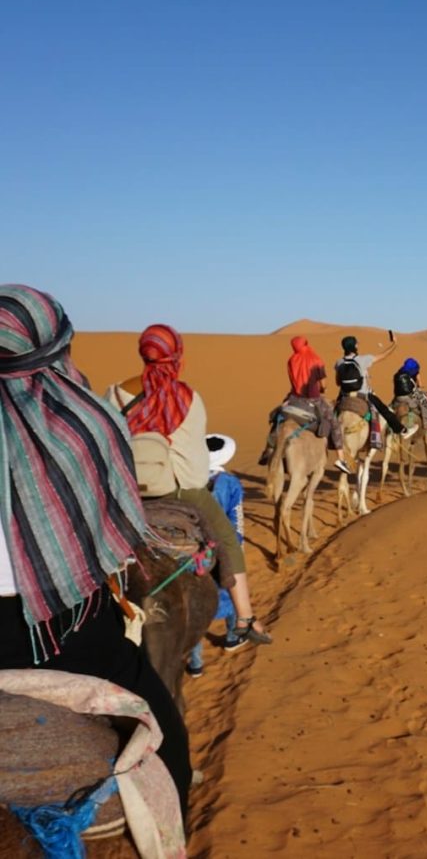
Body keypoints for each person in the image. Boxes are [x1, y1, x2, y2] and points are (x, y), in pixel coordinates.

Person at [0, 285, 192, 817]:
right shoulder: (86, 417)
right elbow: (110, 528)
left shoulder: (115, 393)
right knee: (161, 727)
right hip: (65, 632)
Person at [106, 324, 271, 652]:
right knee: (226, 539)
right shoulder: (187, 398)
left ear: (144, 353)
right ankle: (244, 617)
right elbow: (196, 458)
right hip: (180, 490)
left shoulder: (114, 393)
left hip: (126, 494)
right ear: (176, 354)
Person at [186, 435, 240, 676]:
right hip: (219, 547)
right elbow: (236, 519)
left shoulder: (186, 480)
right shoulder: (230, 483)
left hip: (190, 550)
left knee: (193, 603)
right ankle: (232, 636)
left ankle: (195, 662)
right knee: (231, 587)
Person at [261, 336, 352, 474]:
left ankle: (268, 449)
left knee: (278, 416)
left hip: (294, 397)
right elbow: (323, 384)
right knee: (334, 422)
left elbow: (292, 380)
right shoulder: (315, 359)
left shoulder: (291, 360)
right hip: (313, 398)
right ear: (306, 344)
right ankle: (340, 458)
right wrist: (322, 389)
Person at [336, 334, 404, 449]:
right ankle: (402, 430)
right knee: (384, 410)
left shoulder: (339, 362)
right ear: (354, 346)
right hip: (363, 395)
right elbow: (383, 356)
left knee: (333, 414)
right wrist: (394, 344)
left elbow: (338, 382)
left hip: (344, 396)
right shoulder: (363, 360)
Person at [392, 357, 427, 440]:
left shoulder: (397, 374)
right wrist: (419, 387)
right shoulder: (410, 376)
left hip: (397, 398)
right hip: (409, 397)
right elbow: (413, 389)